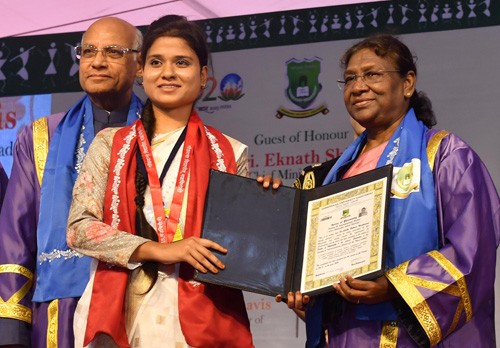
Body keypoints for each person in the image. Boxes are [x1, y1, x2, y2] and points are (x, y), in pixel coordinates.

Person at [280, 34, 500, 347]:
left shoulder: (445, 155)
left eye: (372, 74)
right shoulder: (337, 173)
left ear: (407, 83)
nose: (358, 87)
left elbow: (472, 250)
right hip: (346, 334)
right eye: (350, 79)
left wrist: (394, 286)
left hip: (411, 334)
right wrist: (303, 289)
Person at [66, 15, 253, 347]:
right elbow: (79, 229)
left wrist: (267, 209)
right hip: (119, 313)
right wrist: (162, 250)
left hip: (200, 317)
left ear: (204, 76)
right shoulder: (111, 144)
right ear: (141, 70)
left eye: (182, 62)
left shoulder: (229, 152)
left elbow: (236, 247)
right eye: (156, 62)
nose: (168, 73)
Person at [0, 17, 143, 347]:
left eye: (113, 51)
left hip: (139, 306)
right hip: (58, 312)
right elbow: (15, 239)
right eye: (88, 51)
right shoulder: (41, 137)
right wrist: (10, 329)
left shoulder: (161, 136)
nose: (97, 61)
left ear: (139, 64)